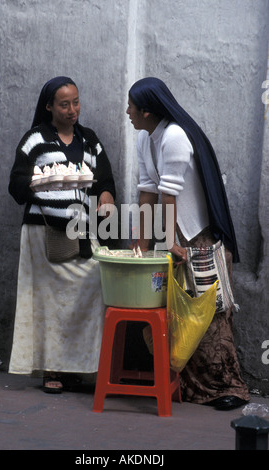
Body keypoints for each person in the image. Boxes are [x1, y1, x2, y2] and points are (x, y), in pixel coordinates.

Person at [126, 77, 250, 410]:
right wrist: (139, 247)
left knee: (208, 312)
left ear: (148, 111)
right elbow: (146, 194)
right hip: (176, 238)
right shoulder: (146, 138)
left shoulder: (175, 136)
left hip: (197, 236)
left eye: (132, 107)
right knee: (182, 315)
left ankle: (230, 388)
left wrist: (168, 242)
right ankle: (196, 388)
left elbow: (169, 195)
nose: (127, 112)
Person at [8, 76, 115, 393]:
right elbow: (15, 186)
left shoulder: (90, 140)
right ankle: (52, 369)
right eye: (64, 104)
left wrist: (107, 195)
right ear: (49, 107)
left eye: (76, 102)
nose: (72, 110)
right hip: (42, 234)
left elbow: (104, 179)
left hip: (81, 232)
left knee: (94, 285)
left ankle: (81, 365)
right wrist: (39, 184)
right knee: (48, 304)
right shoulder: (34, 140)